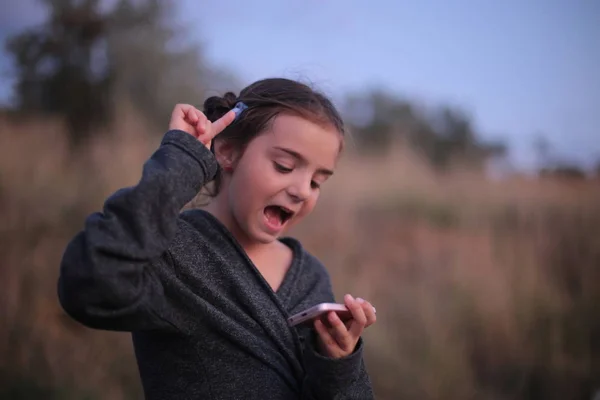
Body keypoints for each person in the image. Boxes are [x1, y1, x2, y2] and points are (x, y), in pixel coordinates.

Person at [57, 77, 377, 399]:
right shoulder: (170, 252)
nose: (301, 191)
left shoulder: (310, 275)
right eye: (284, 166)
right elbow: (88, 283)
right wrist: (183, 161)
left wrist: (337, 365)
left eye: (317, 182)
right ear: (226, 152)